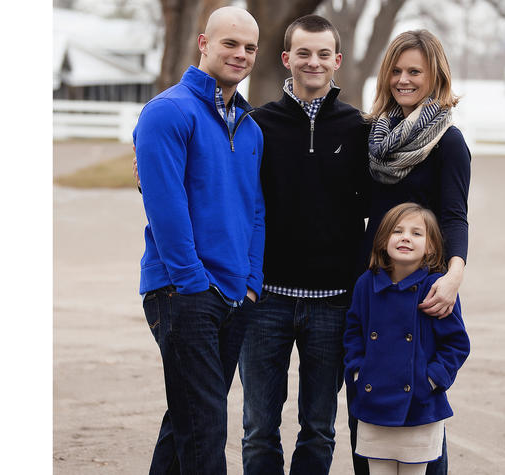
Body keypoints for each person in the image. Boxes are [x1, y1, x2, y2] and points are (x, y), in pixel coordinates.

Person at [235, 15, 370, 475]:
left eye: (323, 54)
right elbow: (222, 189)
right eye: (303, 53)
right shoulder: (257, 125)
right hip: (266, 300)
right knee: (258, 428)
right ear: (286, 58)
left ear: (337, 61)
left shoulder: (358, 129)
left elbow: (388, 198)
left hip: (333, 305)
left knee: (319, 428)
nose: (313, 62)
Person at [132, 6, 264, 474]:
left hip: (234, 294)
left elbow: (255, 209)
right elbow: (165, 209)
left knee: (187, 419)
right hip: (183, 292)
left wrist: (251, 280)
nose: (241, 54)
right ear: (204, 44)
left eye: (250, 47)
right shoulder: (167, 113)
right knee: (206, 430)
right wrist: (192, 285)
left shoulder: (250, 127)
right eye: (230, 43)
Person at [350, 29, 472, 475]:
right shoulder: (370, 136)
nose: (404, 79)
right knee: (367, 421)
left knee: (422, 419)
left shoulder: (448, 142)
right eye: (396, 71)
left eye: (414, 71)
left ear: (434, 75)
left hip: (424, 287)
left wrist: (454, 276)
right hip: (372, 281)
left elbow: (455, 216)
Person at [344, 203, 470, 475]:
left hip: (419, 408)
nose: (405, 237)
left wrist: (430, 380)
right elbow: (353, 332)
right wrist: (358, 372)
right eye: (397, 231)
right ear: (382, 240)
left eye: (416, 233)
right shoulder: (367, 284)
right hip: (374, 404)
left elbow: (457, 344)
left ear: (432, 247)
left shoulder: (436, 288)